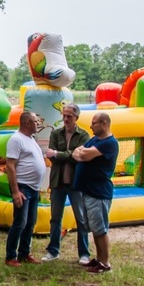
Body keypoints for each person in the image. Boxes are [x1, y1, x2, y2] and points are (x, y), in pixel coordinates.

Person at [43, 104, 92, 264]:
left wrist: (58, 154)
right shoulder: (56, 133)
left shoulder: (84, 135)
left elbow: (80, 156)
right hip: (57, 182)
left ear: (76, 117)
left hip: (76, 183)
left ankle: (84, 253)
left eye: (69, 116)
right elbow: (51, 155)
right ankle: (53, 251)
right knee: (55, 218)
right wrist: (66, 155)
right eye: (64, 116)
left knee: (81, 218)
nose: (65, 119)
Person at [72, 112, 119, 274]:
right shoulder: (94, 140)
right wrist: (81, 153)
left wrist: (82, 153)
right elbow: (76, 152)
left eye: (94, 123)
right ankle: (99, 259)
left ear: (104, 123)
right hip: (88, 191)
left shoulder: (109, 143)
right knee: (94, 228)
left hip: (98, 193)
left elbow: (83, 155)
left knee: (100, 229)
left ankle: (105, 263)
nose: (91, 126)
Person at [4, 111, 46, 267]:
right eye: (35, 121)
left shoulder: (31, 139)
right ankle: (10, 256)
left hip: (33, 188)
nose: (38, 124)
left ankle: (24, 253)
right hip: (23, 187)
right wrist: (15, 191)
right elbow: (10, 166)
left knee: (30, 222)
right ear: (27, 123)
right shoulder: (16, 140)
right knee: (20, 222)